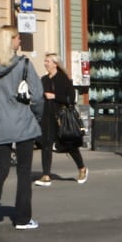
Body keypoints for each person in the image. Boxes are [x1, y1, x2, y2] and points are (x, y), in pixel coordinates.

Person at [0, 26, 43, 232]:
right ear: (11, 40)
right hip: (23, 121)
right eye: (18, 38)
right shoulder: (24, 64)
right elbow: (37, 95)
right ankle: (22, 218)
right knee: (24, 172)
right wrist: (36, 116)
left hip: (0, 123)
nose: (20, 41)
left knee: (0, 168)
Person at [36, 52, 88, 187]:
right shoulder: (44, 80)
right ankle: (46, 175)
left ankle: (82, 168)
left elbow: (71, 99)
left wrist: (54, 96)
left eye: (47, 61)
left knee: (69, 144)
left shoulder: (63, 79)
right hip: (47, 116)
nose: (45, 64)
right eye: (45, 61)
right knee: (46, 145)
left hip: (62, 117)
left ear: (55, 64)